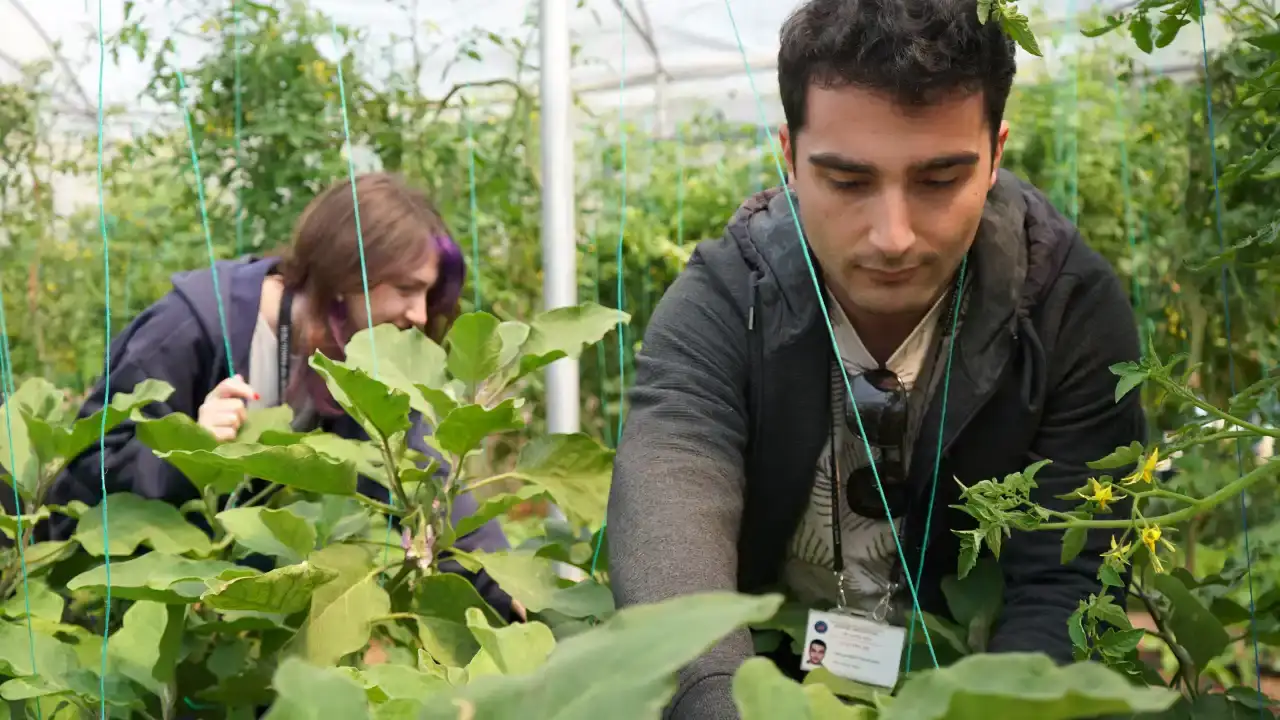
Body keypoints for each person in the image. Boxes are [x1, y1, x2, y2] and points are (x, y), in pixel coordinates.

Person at [606, 0, 1145, 716]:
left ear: (995, 156)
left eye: (938, 180)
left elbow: (1066, 585)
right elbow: (672, 508)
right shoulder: (726, 300)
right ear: (790, 158)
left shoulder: (1066, 308)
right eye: (849, 182)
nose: (892, 236)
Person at [45, 172, 517, 619]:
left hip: (244, 615)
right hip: (114, 599)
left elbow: (423, 480)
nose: (418, 313)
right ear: (345, 273)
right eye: (406, 289)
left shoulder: (362, 357)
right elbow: (90, 464)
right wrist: (189, 450)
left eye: (427, 293)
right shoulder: (195, 325)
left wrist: (504, 587)